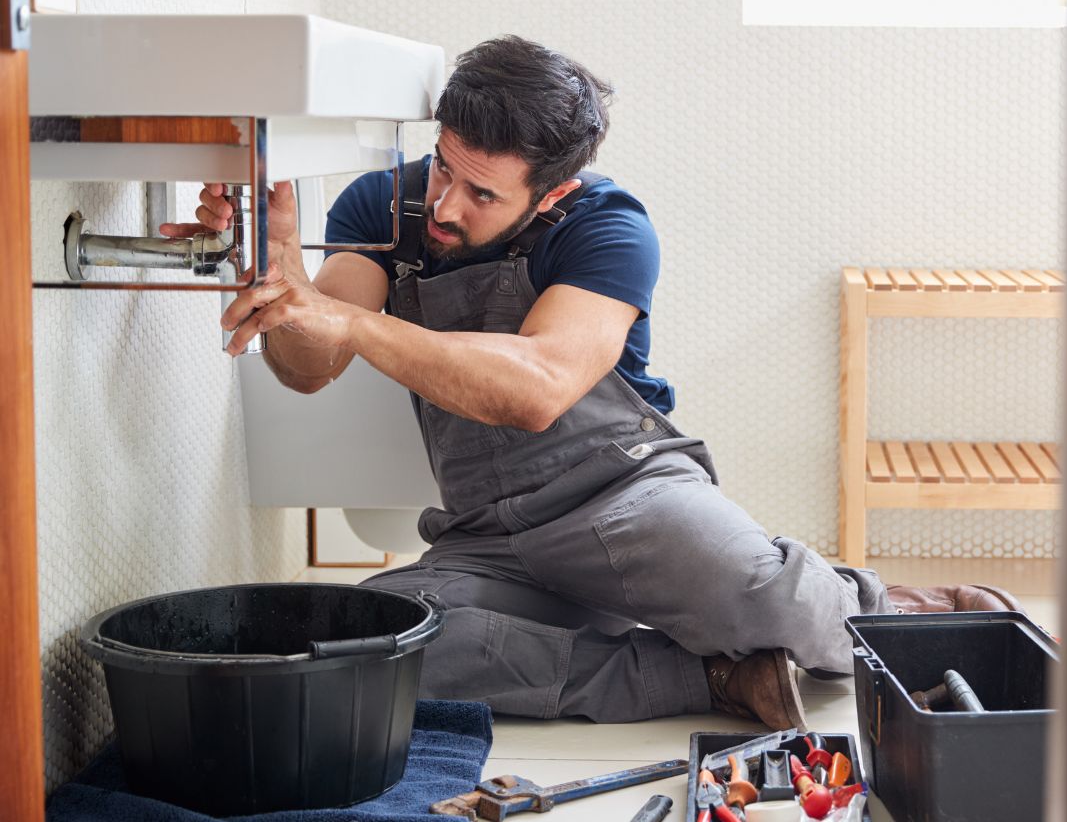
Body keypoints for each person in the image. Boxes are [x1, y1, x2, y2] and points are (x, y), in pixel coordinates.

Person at [166, 36, 1020, 729]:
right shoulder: (380, 207)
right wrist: (286, 280)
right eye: (442, 169)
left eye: (483, 193)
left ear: (553, 191)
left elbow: (536, 389)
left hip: (627, 499)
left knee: (783, 609)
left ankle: (889, 605)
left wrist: (354, 320)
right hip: (486, 534)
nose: (447, 206)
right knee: (375, 651)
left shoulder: (608, 226)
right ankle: (713, 679)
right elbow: (310, 369)